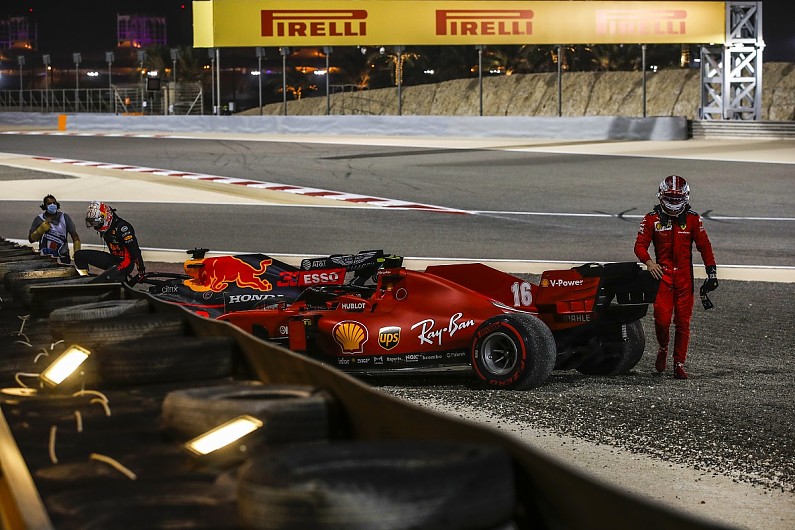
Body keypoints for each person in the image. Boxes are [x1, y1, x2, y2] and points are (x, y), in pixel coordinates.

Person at [634, 175, 718, 380]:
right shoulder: (651, 219)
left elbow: (704, 246)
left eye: (677, 198)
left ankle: (679, 363)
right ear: (661, 196)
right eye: (670, 198)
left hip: (684, 280)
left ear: (685, 197)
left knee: (683, 323)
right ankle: (663, 348)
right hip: (662, 277)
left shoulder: (692, 219)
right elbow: (639, 246)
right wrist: (650, 263)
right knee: (662, 321)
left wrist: (711, 271)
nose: (673, 203)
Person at [74, 201, 146, 282]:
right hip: (113, 260)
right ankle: (83, 279)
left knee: (99, 281)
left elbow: (135, 250)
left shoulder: (122, 228)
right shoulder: (106, 228)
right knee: (79, 255)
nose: (96, 226)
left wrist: (141, 271)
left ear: (106, 217)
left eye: (97, 223)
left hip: (125, 262)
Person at [28, 194, 81, 264]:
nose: (52, 205)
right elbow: (31, 239)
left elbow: (75, 236)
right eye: (49, 203)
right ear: (45, 206)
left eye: (54, 203)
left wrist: (77, 252)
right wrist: (39, 231)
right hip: (45, 258)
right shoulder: (39, 219)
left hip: (63, 257)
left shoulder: (65, 217)